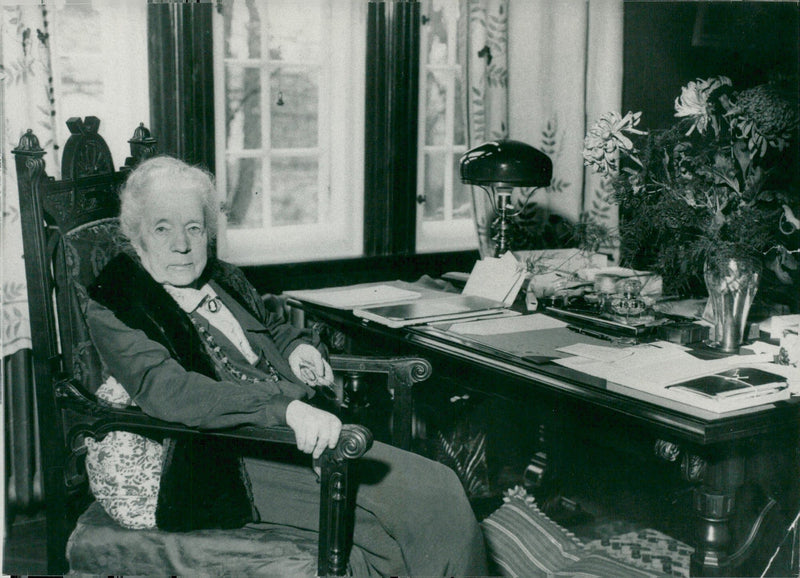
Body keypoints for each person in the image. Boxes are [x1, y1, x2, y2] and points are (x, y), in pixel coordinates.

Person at [85, 155, 488, 577]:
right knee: (431, 497)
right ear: (137, 237)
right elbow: (170, 392)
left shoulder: (222, 278)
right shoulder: (117, 302)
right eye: (162, 228)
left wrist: (297, 350)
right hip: (228, 457)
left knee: (415, 518)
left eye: (194, 228)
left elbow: (270, 325)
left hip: (302, 432)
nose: (181, 245)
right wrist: (285, 409)